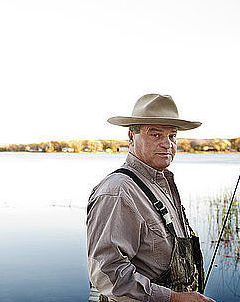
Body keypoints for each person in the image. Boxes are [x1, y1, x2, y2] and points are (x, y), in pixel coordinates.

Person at [87, 94, 215, 302]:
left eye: (172, 136)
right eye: (155, 135)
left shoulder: (161, 183)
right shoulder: (117, 192)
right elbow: (107, 275)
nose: (167, 144)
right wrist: (174, 298)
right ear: (131, 136)